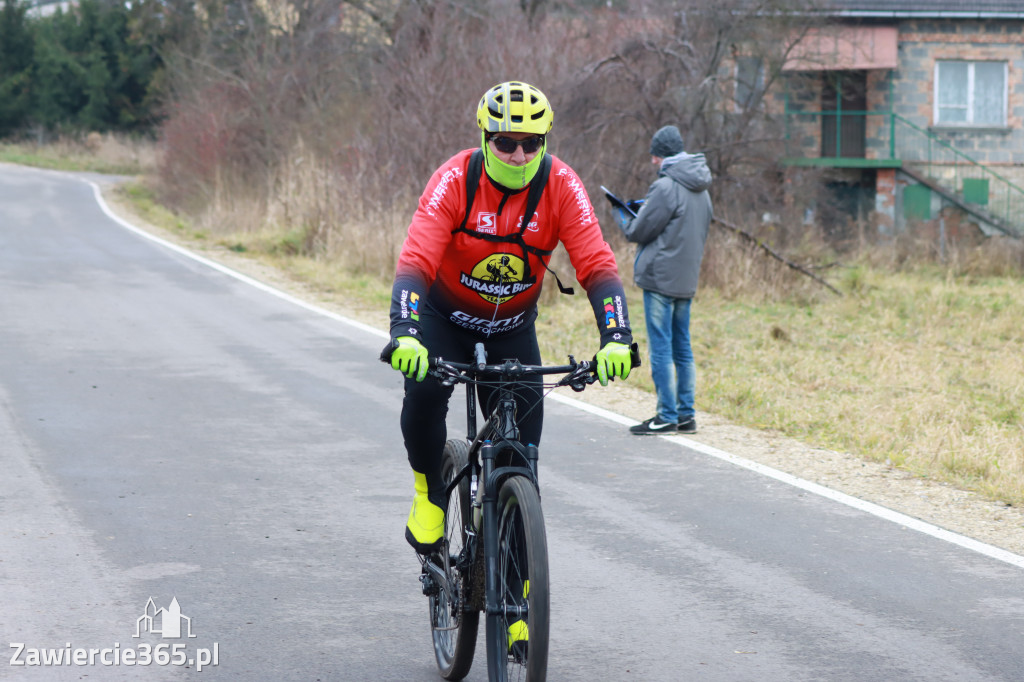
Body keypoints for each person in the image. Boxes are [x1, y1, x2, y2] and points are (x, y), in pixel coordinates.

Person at [385, 81, 635, 555]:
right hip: (445, 320)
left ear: (545, 141)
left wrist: (617, 336)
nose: (520, 156)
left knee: (522, 465)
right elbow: (416, 261)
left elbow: (597, 265)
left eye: (532, 143)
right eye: (506, 143)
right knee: (421, 397)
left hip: (512, 329)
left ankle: (519, 615)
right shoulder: (454, 179)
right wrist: (406, 332)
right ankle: (429, 493)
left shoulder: (561, 185)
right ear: (484, 138)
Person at [611, 124, 712, 435]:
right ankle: (686, 415)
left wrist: (623, 214)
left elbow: (637, 232)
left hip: (659, 280)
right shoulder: (702, 188)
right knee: (683, 347)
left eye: (655, 156)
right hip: (686, 280)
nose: (653, 162)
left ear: (662, 156)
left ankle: (666, 415)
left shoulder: (666, 187)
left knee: (661, 347)